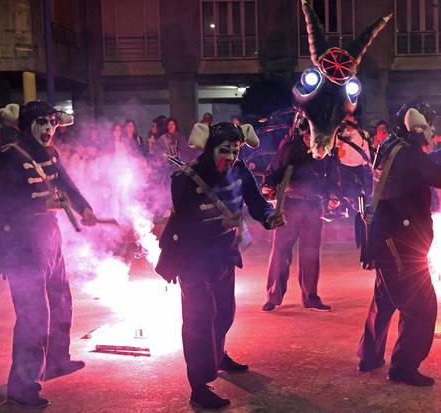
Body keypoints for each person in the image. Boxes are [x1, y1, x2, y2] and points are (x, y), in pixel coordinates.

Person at [156, 122, 284, 410]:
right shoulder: (187, 177)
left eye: (235, 151)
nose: (231, 157)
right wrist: (215, 220)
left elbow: (255, 200)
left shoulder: (239, 170)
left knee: (225, 312)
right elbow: (184, 217)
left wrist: (269, 216)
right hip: (193, 257)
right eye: (224, 150)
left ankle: (218, 355)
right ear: (210, 149)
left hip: (224, 253)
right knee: (200, 319)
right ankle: (199, 386)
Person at [0, 101, 97, 408]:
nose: (49, 130)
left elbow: (66, 184)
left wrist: (84, 207)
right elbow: (5, 207)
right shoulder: (7, 159)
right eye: (42, 123)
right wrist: (42, 205)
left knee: (61, 301)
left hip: (50, 242)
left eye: (52, 123)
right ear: (27, 126)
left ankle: (58, 360)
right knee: (33, 318)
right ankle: (22, 387)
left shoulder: (50, 154)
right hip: (22, 249)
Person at [358, 101, 441, 387]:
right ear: (417, 127)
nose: (434, 132)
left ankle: (369, 356)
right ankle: (403, 368)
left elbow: (425, 165)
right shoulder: (407, 155)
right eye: (430, 126)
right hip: (400, 244)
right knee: (422, 306)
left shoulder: (391, 146)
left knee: (384, 301)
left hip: (387, 238)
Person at [262, 120, 341, 312]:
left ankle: (310, 297)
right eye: (308, 136)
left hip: (313, 206)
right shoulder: (290, 148)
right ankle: (273, 296)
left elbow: (332, 178)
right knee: (280, 251)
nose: (310, 140)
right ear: (304, 133)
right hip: (290, 204)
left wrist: (334, 196)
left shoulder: (326, 150)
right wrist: (269, 186)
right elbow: (274, 170)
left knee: (310, 253)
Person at [337, 114, 373, 208]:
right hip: (344, 167)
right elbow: (337, 150)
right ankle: (349, 209)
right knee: (347, 191)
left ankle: (364, 208)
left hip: (359, 167)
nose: (348, 124)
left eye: (350, 121)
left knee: (363, 189)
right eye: (346, 121)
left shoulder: (362, 134)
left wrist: (368, 164)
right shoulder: (340, 135)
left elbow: (366, 150)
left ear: (355, 122)